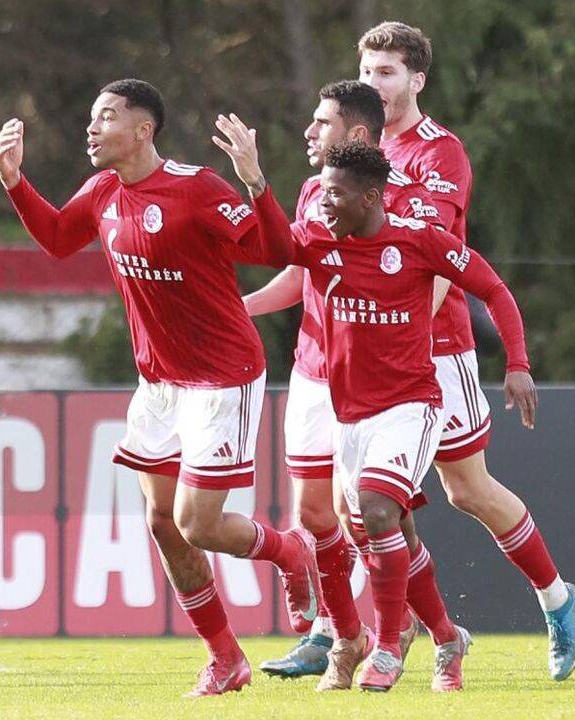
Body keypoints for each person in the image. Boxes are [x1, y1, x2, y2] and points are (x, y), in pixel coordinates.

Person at [0, 79, 319, 697]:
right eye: (92, 116)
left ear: (143, 130)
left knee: (198, 524)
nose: (92, 128)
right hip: (160, 382)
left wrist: (255, 182)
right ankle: (226, 658)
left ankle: (290, 552)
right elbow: (60, 240)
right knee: (162, 522)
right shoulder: (103, 191)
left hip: (223, 377)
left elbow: (280, 248)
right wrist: (14, 181)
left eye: (106, 117)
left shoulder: (196, 189)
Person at [238, 139, 538, 691]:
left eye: (335, 194)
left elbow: (493, 288)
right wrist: (257, 183)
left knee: (376, 511)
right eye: (322, 192)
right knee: (392, 529)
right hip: (350, 417)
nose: (324, 204)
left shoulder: (420, 241)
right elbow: (272, 244)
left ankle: (385, 649)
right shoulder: (321, 241)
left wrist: (516, 362)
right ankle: (447, 637)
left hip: (412, 407)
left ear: (372, 196)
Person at [358, 20, 575, 681]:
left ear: (416, 79)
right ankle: (407, 633)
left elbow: (432, 264)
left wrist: (407, 336)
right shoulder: (353, 148)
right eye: (367, 71)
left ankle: (557, 600)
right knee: (374, 503)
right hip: (369, 353)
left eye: (388, 72)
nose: (375, 83)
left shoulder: (439, 153)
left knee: (467, 491)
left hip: (437, 348)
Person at [240, 79, 444, 688]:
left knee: (382, 515)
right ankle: (341, 636)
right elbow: (297, 269)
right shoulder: (313, 192)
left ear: (355, 135)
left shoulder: (406, 204)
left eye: (320, 123)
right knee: (316, 513)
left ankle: (406, 631)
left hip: (383, 382)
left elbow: (443, 274)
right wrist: (241, 307)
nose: (309, 132)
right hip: (312, 371)